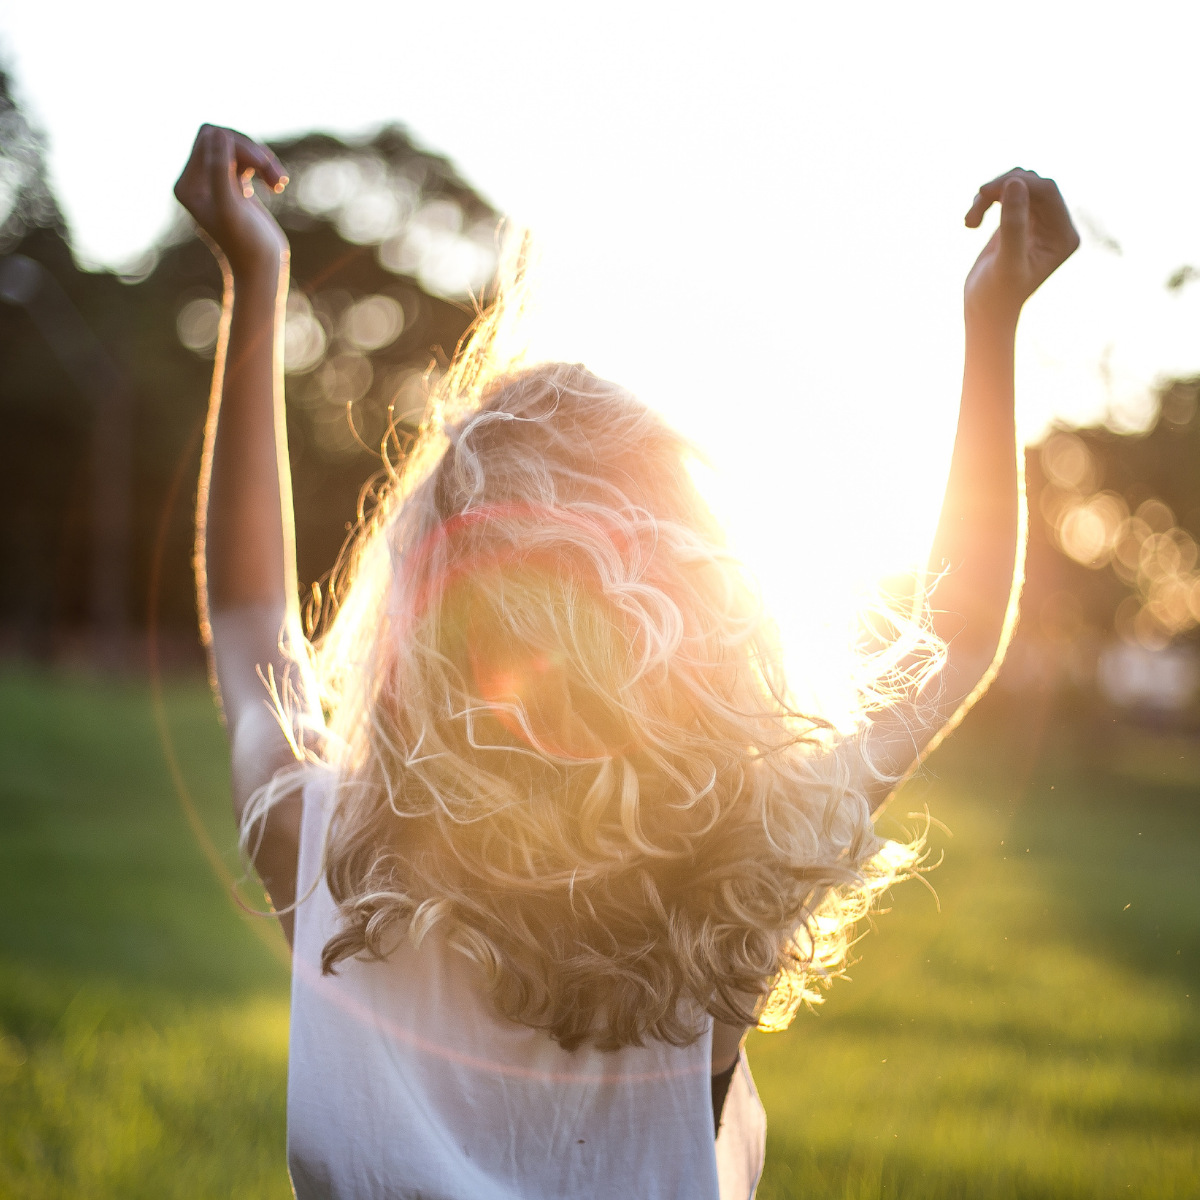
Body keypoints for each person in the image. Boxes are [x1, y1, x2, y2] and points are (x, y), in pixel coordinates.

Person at [173, 124, 1079, 1200]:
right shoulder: (734, 877)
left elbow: (251, 622)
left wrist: (256, 276)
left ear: (422, 618)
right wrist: (994, 323)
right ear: (691, 615)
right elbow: (956, 630)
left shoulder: (326, 851)